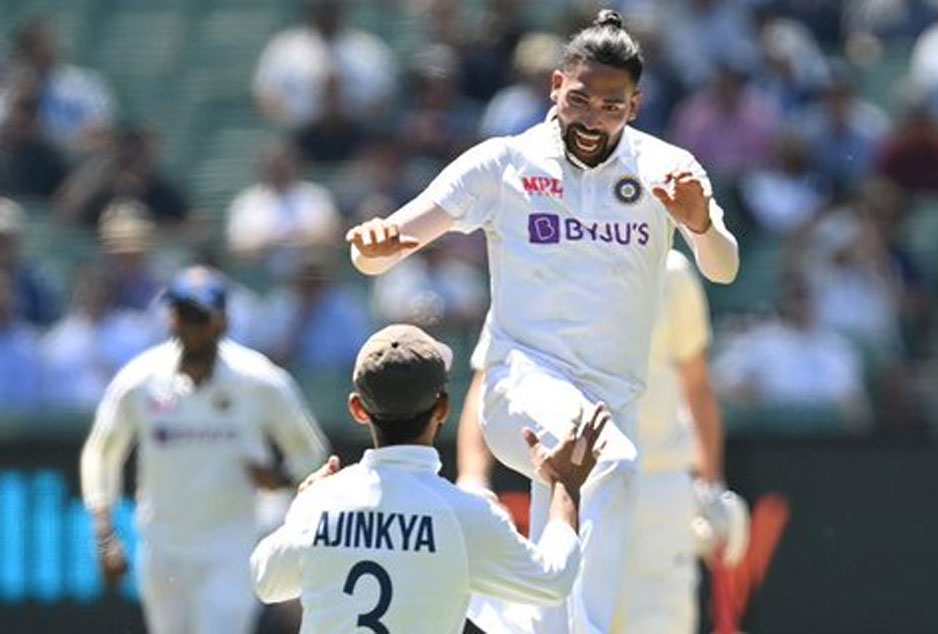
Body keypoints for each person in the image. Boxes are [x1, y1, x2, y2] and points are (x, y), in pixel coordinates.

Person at [345, 10, 739, 633]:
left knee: (594, 499)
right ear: (556, 86)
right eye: (579, 99)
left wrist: (698, 222)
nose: (591, 119)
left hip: (615, 403)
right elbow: (388, 245)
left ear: (634, 106)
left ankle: (515, 619)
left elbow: (723, 267)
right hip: (520, 384)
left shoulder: (665, 168)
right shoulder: (504, 162)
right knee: (607, 459)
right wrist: (374, 246)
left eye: (611, 106)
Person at [458, 251, 750, 633]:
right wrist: (472, 478)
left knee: (660, 624)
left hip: (658, 485)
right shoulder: (536, 258)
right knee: (568, 621)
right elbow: (492, 377)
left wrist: (710, 482)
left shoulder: (671, 273)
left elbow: (696, 383)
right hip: (574, 487)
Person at [250, 323, 609, 633]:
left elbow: (265, 582)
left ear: (358, 409)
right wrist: (565, 487)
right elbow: (552, 581)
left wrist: (303, 505)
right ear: (442, 408)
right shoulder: (467, 514)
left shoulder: (320, 502)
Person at [80, 265, 329, 634]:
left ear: (222, 322)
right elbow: (102, 452)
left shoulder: (259, 380)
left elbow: (310, 451)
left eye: (199, 317)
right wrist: (105, 533)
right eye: (182, 314)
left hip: (231, 546)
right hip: (162, 544)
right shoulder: (141, 380)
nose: (189, 326)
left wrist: (281, 479)